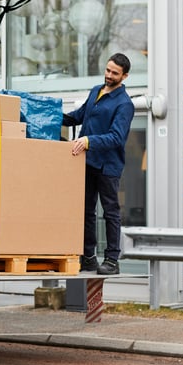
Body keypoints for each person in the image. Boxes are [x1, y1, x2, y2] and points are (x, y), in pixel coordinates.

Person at [63, 53, 135, 275]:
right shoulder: (96, 91)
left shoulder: (125, 104)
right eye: (108, 70)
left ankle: (112, 260)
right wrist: (50, 115)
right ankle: (89, 257)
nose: (109, 75)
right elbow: (79, 116)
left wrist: (88, 141)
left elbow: (116, 138)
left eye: (115, 73)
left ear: (124, 76)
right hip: (87, 161)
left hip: (108, 166)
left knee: (110, 211)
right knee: (86, 211)